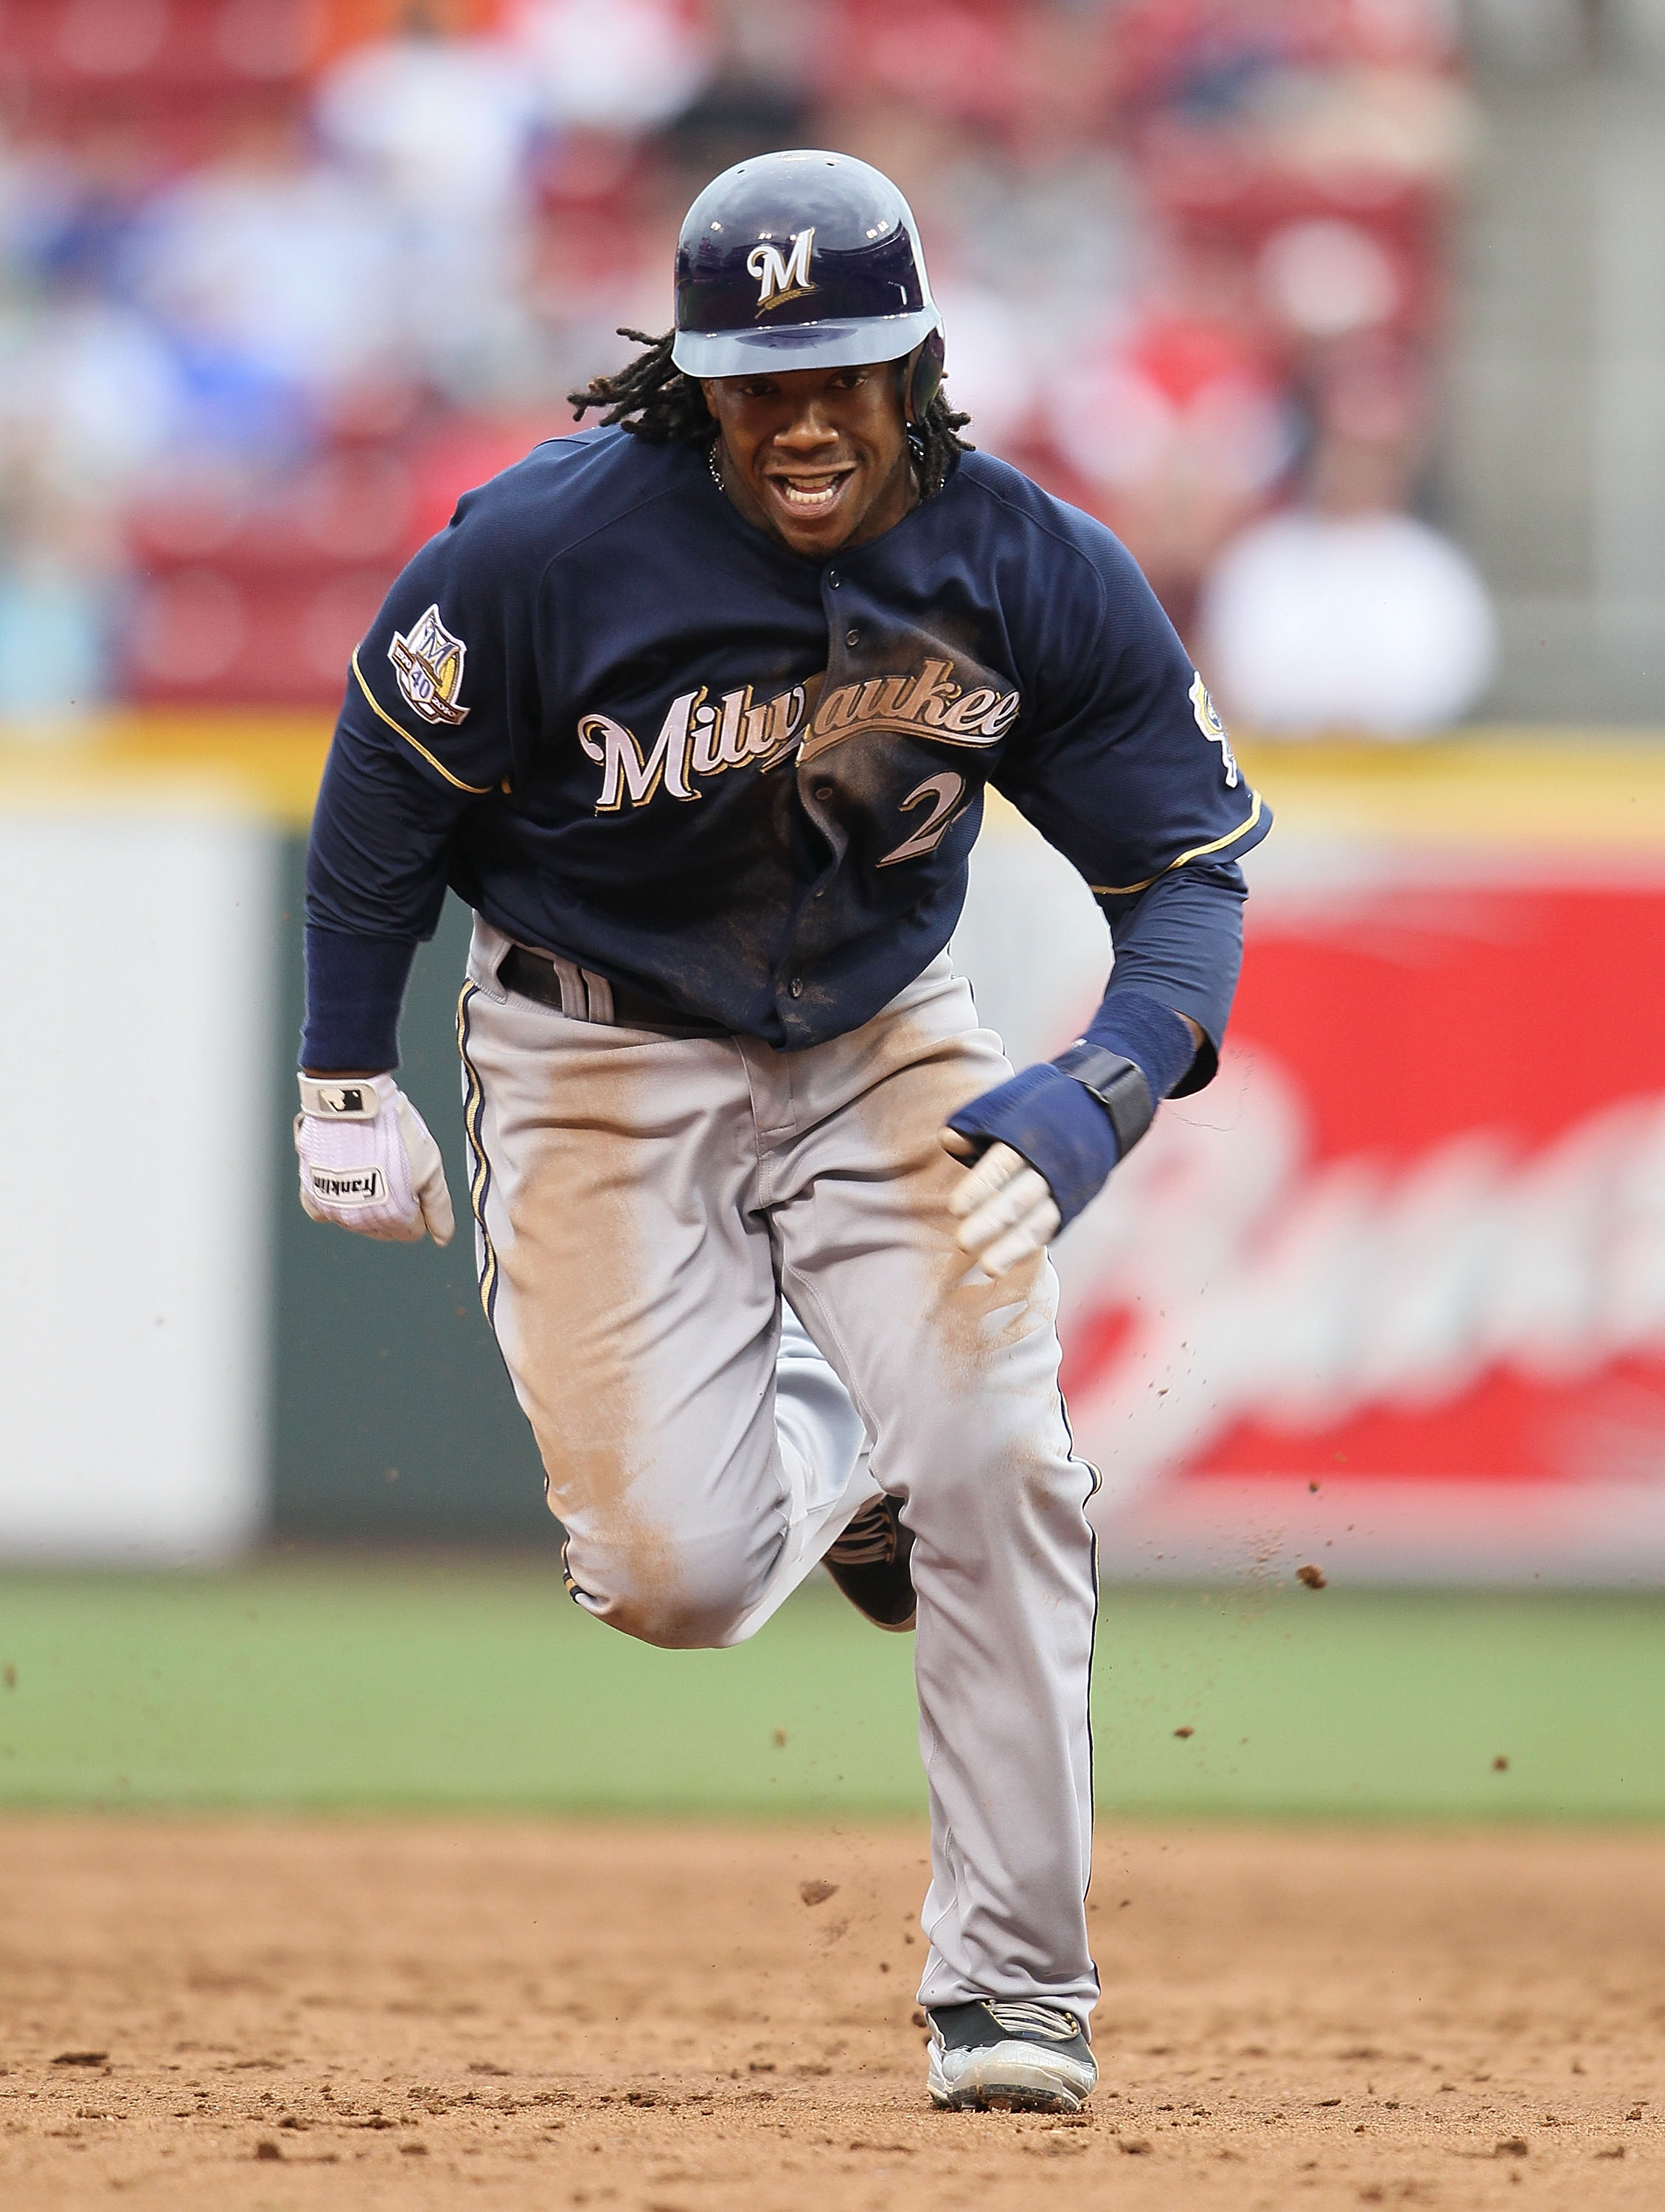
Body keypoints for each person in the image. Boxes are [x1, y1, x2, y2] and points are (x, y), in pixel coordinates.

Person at [294, 149, 1269, 2114]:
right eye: (761, 374)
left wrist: (1106, 1081)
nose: (806, 410)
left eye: (848, 363)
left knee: (1003, 1459)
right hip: (592, 1054)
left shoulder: (1027, 567)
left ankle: (1012, 1992)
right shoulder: (542, 549)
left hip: (878, 1038)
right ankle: (850, 1444)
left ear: (917, 365)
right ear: (694, 382)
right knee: (676, 1584)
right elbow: (382, 796)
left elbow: (1189, 874)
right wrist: (339, 1072)